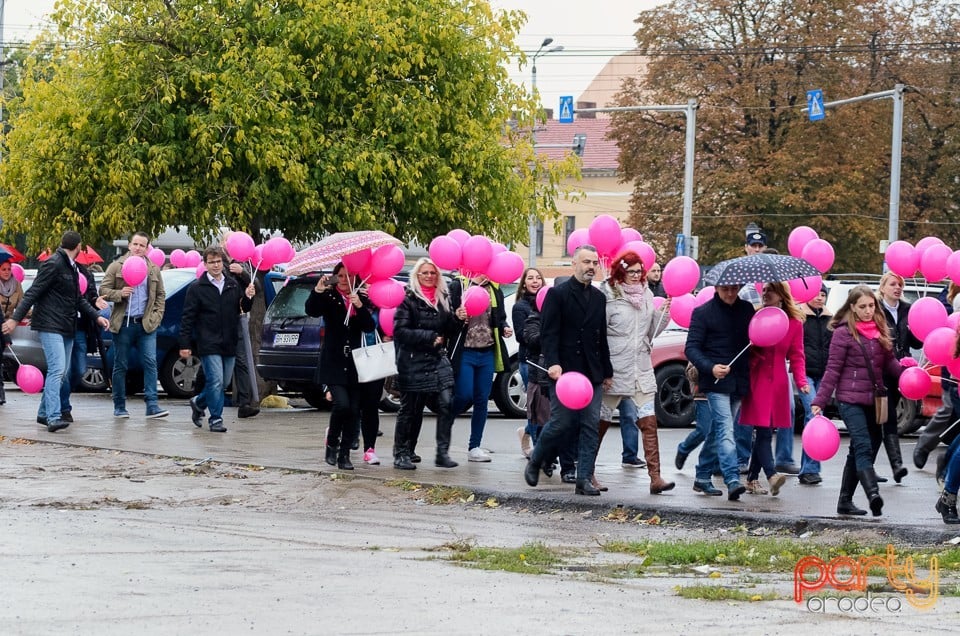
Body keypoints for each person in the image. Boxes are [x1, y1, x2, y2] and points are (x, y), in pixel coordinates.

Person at [811, 285, 912, 517]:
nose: (868, 310)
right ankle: (873, 494)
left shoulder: (880, 329)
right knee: (863, 445)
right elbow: (833, 370)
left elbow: (889, 364)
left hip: (874, 399)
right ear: (853, 308)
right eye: (863, 307)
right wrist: (820, 400)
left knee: (861, 450)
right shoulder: (843, 333)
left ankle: (844, 501)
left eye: (871, 305)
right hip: (849, 400)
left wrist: (907, 376)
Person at [523, 245, 613, 496]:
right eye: (586, 262)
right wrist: (553, 363)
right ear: (574, 264)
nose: (591, 267)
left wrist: (607, 371)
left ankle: (583, 479)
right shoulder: (557, 295)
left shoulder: (599, 298)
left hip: (591, 372)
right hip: (563, 372)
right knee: (562, 422)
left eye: (594, 262)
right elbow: (549, 334)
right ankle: (536, 459)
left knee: (589, 425)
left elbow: (601, 337)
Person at [2, 231, 110, 432]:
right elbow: (33, 292)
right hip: (50, 325)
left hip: (67, 327)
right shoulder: (53, 264)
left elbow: (79, 300)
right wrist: (15, 319)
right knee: (57, 369)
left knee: (61, 373)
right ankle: (53, 416)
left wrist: (97, 316)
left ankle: (44, 413)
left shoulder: (72, 268)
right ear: (78, 247)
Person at [597, 251, 674, 494]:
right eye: (631, 272)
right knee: (600, 421)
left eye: (639, 272)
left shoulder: (647, 294)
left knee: (649, 421)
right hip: (615, 368)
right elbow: (599, 333)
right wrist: (603, 369)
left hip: (640, 367)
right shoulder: (608, 294)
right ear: (621, 271)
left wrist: (665, 314)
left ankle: (655, 477)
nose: (636, 276)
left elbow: (651, 332)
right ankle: (586, 472)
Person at [684, 284, 754, 500]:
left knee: (717, 430)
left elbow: (752, 341)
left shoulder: (746, 310)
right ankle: (732, 479)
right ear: (717, 288)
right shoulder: (703, 312)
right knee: (726, 429)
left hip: (738, 380)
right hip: (714, 381)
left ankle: (703, 476)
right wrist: (710, 367)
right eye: (726, 289)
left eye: (734, 289)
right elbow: (691, 348)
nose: (730, 293)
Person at [738, 282, 808, 497]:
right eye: (764, 290)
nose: (766, 294)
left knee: (766, 429)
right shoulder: (756, 317)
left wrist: (802, 381)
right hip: (757, 379)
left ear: (781, 295)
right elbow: (745, 349)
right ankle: (771, 475)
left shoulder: (794, 323)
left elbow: (796, 355)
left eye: (771, 290)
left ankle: (751, 479)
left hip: (778, 381)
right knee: (764, 429)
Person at [305, 262, 376, 470]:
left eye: (349, 276)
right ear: (335, 277)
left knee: (354, 410)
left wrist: (360, 307)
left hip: (354, 362)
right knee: (342, 404)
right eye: (341, 276)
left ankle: (345, 454)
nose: (345, 280)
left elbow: (369, 326)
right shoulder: (329, 296)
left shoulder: (360, 298)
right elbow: (312, 310)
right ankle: (332, 444)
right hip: (333, 361)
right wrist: (318, 290)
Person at [392, 257, 461, 470]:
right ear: (417, 276)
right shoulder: (408, 299)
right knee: (411, 408)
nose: (429, 276)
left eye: (433, 273)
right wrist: (429, 336)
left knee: (447, 402)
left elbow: (449, 330)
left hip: (437, 358)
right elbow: (400, 331)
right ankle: (402, 452)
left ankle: (442, 452)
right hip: (413, 360)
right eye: (425, 273)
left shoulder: (443, 298)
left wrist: (457, 319)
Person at [178, 247, 255, 433]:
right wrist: (185, 344)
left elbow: (241, 308)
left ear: (223, 263)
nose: (216, 265)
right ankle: (216, 418)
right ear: (205, 264)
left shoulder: (232, 284)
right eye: (211, 262)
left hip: (229, 340)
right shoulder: (197, 288)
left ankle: (198, 401)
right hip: (208, 341)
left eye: (219, 261)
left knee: (224, 381)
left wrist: (248, 297)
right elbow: (187, 318)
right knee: (216, 381)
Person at [99, 232, 168, 419]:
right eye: (135, 244)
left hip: (145, 324)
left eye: (142, 245)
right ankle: (119, 406)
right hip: (123, 324)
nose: (138, 248)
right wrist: (119, 293)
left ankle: (152, 405)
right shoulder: (116, 266)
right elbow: (103, 290)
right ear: (129, 245)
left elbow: (160, 295)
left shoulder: (153, 269)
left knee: (151, 362)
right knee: (120, 365)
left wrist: (156, 317)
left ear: (147, 248)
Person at [449, 273, 512, 462]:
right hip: (465, 351)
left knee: (482, 399)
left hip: (488, 351)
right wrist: (457, 316)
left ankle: (474, 446)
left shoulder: (494, 289)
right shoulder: (459, 286)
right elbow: (446, 319)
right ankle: (446, 420)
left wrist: (504, 327)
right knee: (464, 395)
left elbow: (499, 318)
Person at [876, 271, 921, 483]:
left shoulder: (907, 309)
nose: (897, 288)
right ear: (883, 287)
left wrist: (918, 330)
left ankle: (868, 465)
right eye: (893, 284)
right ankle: (896, 465)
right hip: (881, 370)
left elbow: (916, 343)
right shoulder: (875, 309)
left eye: (900, 284)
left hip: (902, 371)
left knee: (883, 418)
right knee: (887, 417)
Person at [62, 262, 108, 423]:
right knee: (64, 372)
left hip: (81, 329)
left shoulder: (86, 273)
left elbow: (91, 294)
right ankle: (64, 408)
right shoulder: (59, 271)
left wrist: (95, 301)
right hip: (64, 327)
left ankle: (61, 397)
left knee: (80, 370)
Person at [796, 285, 832, 485]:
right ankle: (810, 469)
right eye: (817, 294)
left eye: (823, 294)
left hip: (823, 374)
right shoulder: (801, 317)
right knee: (814, 414)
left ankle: (807, 468)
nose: (820, 298)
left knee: (815, 419)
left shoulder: (830, 319)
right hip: (805, 373)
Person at [512, 267, 544, 457]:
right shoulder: (520, 307)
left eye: (538, 278)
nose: (535, 281)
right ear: (524, 283)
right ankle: (539, 447)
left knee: (545, 408)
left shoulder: (548, 302)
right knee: (534, 406)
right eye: (530, 278)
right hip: (528, 361)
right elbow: (520, 336)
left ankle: (527, 432)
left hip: (547, 360)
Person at [227, 260, 259, 418]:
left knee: (241, 362)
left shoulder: (244, 265)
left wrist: (242, 273)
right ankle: (200, 397)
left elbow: (256, 286)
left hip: (238, 319)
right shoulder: (218, 263)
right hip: (220, 323)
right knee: (215, 364)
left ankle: (244, 403)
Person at [0, 258, 25, 406]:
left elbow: (22, 305)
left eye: (9, 269)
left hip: (6, 326)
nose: (7, 272)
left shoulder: (16, 285)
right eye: (3, 269)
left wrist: (35, 315)